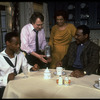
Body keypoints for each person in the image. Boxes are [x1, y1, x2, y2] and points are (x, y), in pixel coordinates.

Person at [0, 32, 39, 99]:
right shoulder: (0, 57)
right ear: (7, 43)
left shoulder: (20, 54)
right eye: (16, 44)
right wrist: (6, 78)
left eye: (19, 43)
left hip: (18, 86)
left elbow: (25, 66)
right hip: (4, 89)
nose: (19, 46)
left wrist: (32, 68)